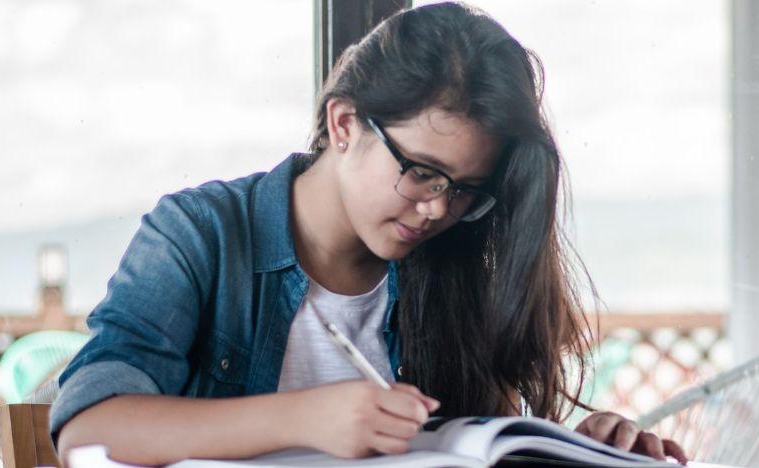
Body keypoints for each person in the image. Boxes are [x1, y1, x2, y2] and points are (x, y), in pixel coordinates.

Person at [51, 2, 687, 465]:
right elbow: (88, 428)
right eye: (422, 173)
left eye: (464, 189)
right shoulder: (201, 235)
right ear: (346, 122)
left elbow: (480, 445)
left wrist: (583, 449)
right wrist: (304, 417)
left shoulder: (452, 264)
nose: (438, 210)